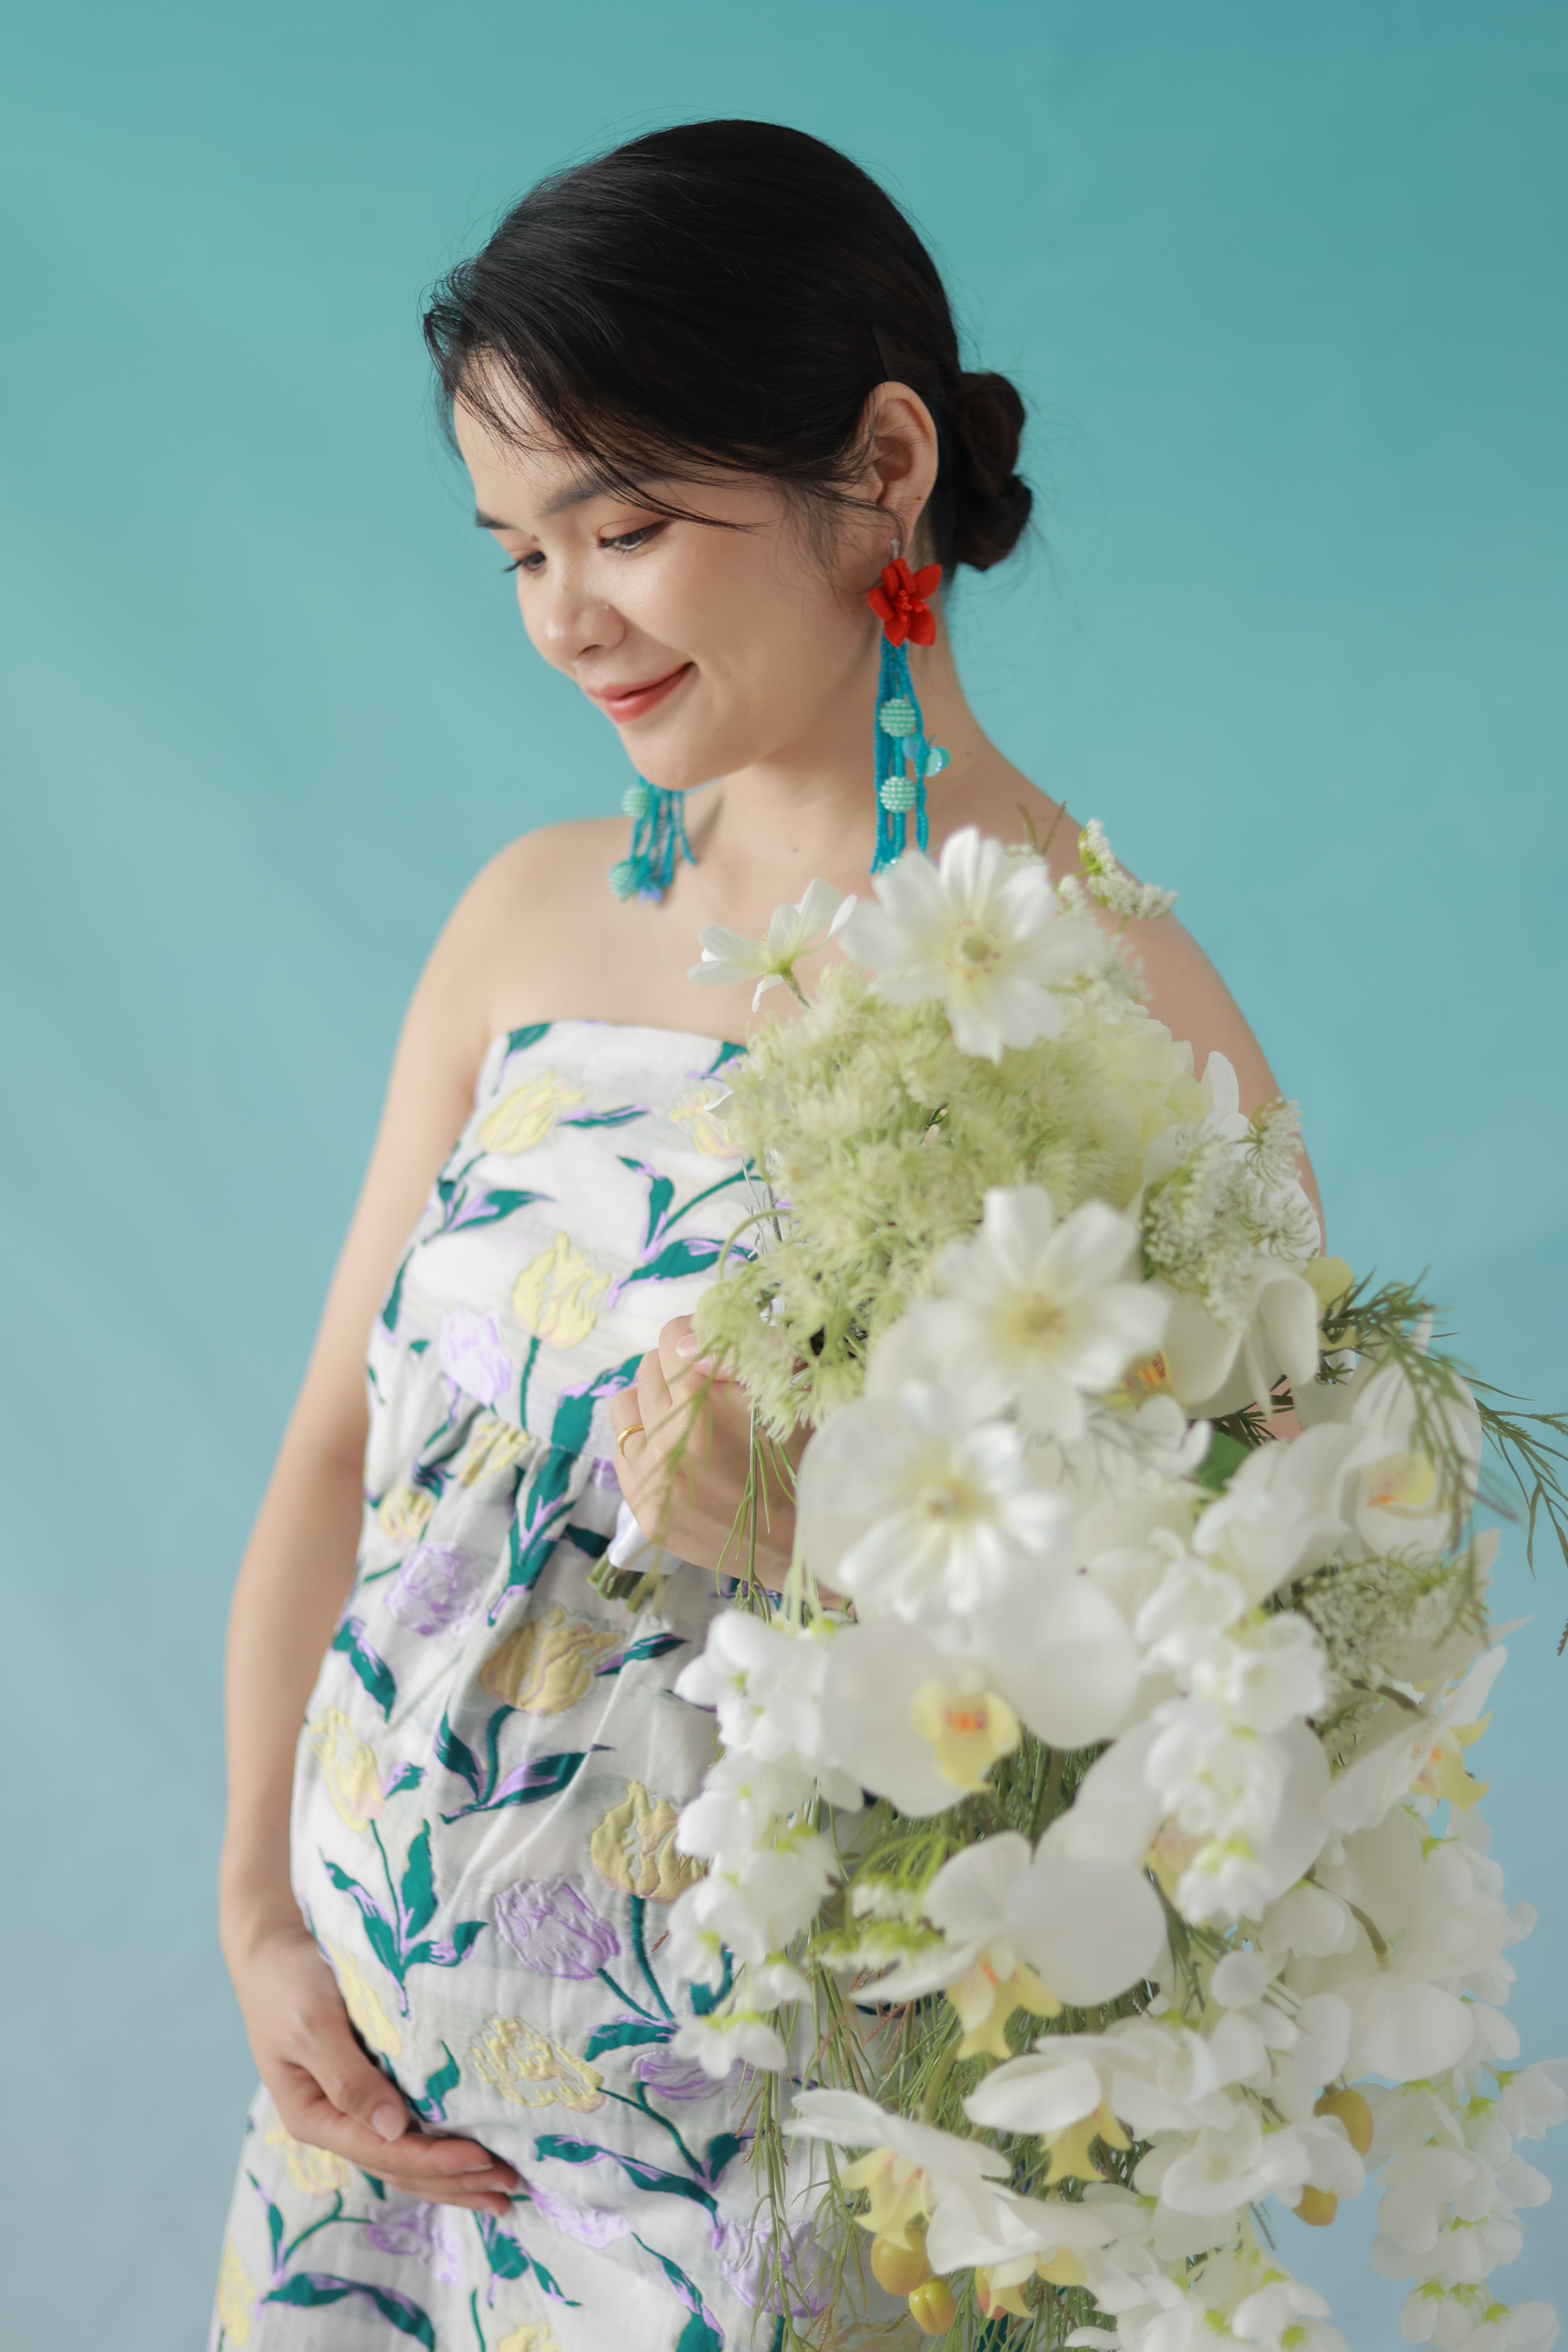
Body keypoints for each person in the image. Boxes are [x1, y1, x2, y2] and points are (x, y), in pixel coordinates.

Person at [211, 118, 1304, 2352]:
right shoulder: (522, 922)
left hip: (798, 2212)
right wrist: (257, 1907)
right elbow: (337, 1451)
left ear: (881, 468)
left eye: (625, 526)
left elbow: (1258, 1675)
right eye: (518, 551)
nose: (565, 617)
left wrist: (857, 1545)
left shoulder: (1109, 1006)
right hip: (383, 2175)